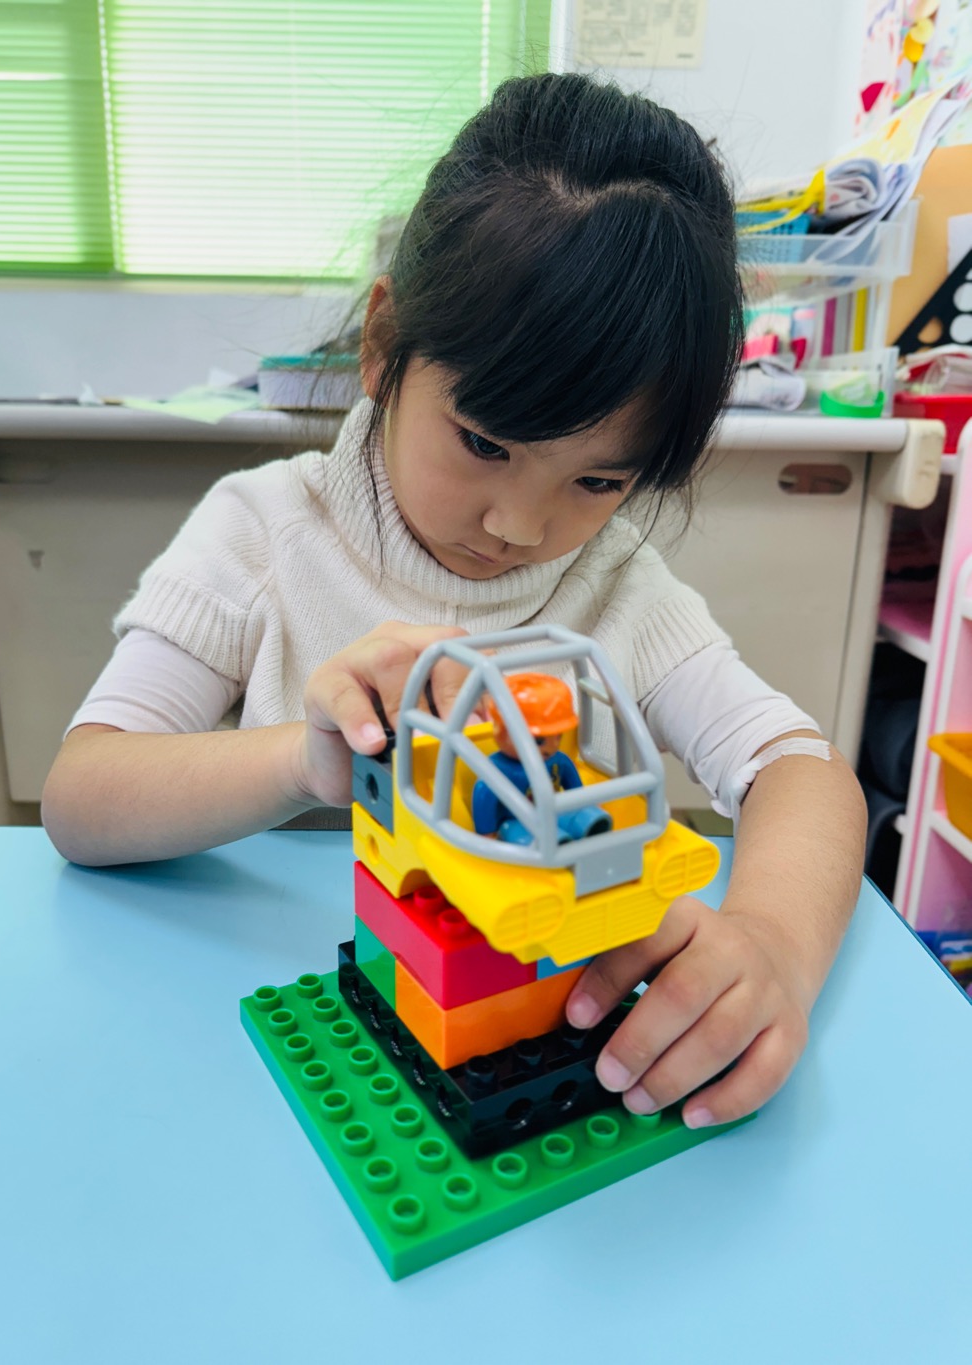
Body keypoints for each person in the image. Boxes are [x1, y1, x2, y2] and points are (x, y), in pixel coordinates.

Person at [42, 72, 866, 1134]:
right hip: (253, 1072)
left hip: (522, 1038)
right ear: (384, 344)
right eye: (484, 442)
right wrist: (303, 763)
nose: (520, 526)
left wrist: (774, 944)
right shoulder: (260, 535)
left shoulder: (617, 586)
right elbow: (81, 797)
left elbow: (800, 770)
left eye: (597, 480)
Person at [471, 673, 612, 845]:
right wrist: (487, 834)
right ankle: (553, 848)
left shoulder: (559, 761)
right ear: (501, 733)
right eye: (538, 741)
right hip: (515, 822)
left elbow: (576, 793)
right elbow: (484, 798)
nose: (551, 747)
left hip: (554, 809)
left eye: (558, 737)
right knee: (538, 842)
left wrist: (586, 807)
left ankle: (594, 844)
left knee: (589, 818)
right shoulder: (495, 772)